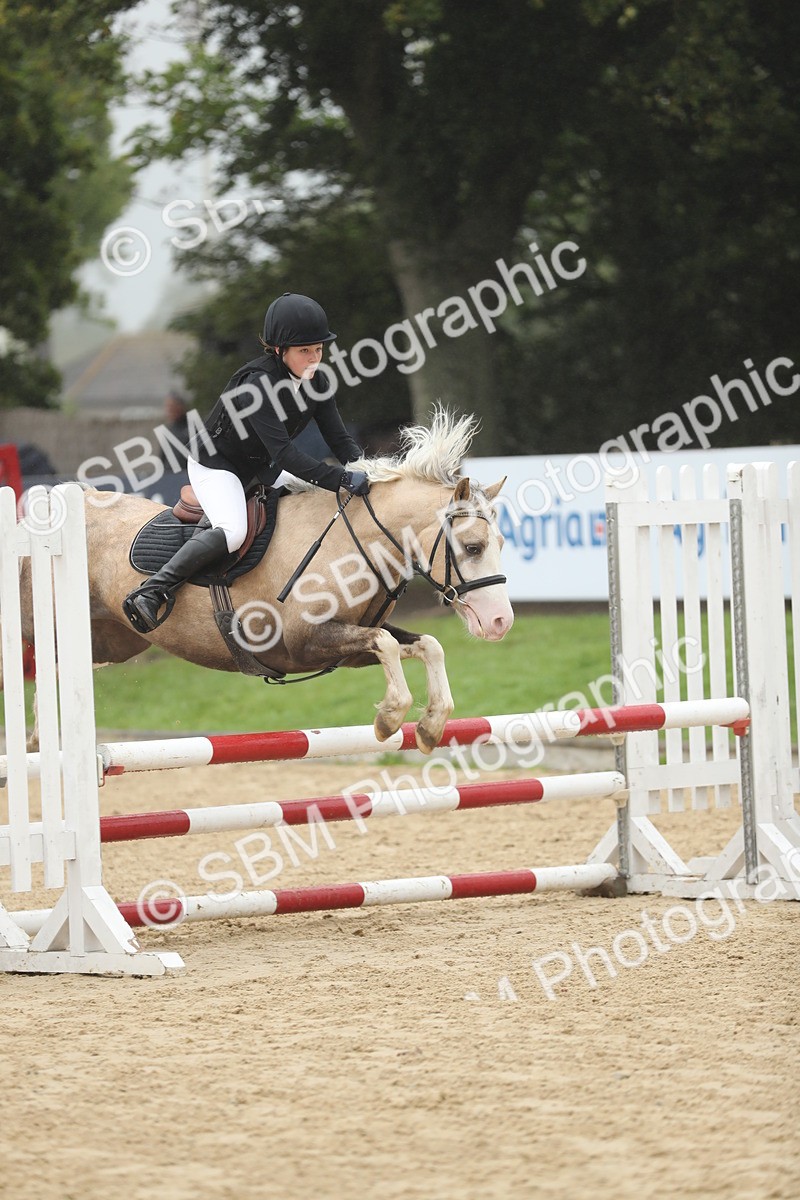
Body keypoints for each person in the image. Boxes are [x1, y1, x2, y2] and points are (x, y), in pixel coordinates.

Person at [123, 292, 370, 634]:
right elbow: (285, 453)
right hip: (218, 466)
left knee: (311, 501)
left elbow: (339, 439)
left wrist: (367, 469)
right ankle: (150, 591)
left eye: (319, 349)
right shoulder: (257, 384)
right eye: (305, 351)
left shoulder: (319, 381)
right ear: (279, 350)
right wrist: (341, 479)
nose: (314, 358)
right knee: (234, 531)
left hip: (260, 466)